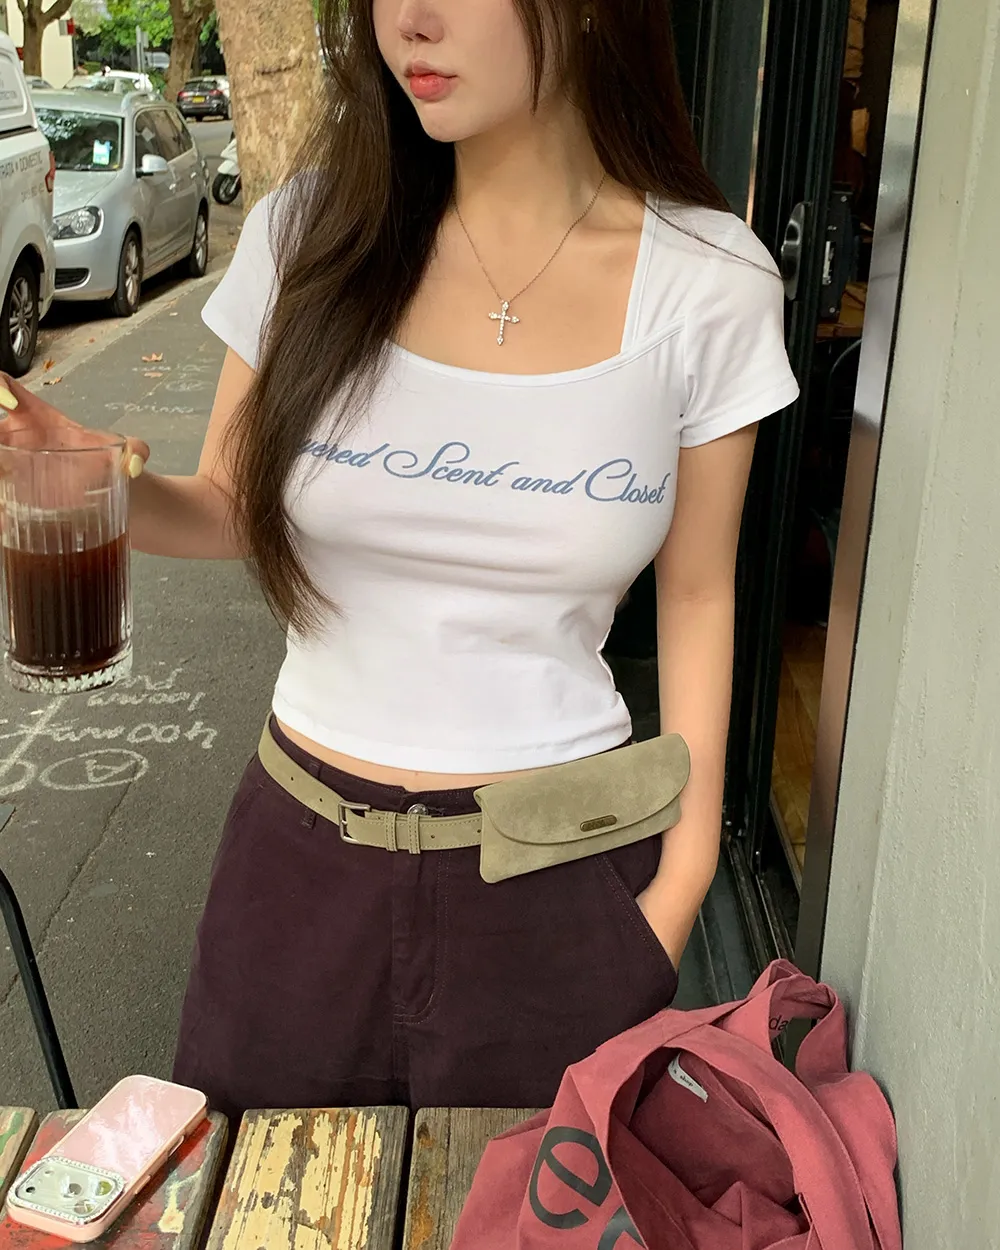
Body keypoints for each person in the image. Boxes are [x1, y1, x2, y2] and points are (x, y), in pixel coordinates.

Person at [0, 0, 798, 1118]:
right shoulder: (309, 235)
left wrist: (684, 878)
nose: (409, 21)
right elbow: (230, 507)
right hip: (296, 875)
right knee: (266, 1197)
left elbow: (702, 589)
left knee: (521, 1205)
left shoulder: (709, 282)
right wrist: (87, 474)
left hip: (563, 879)